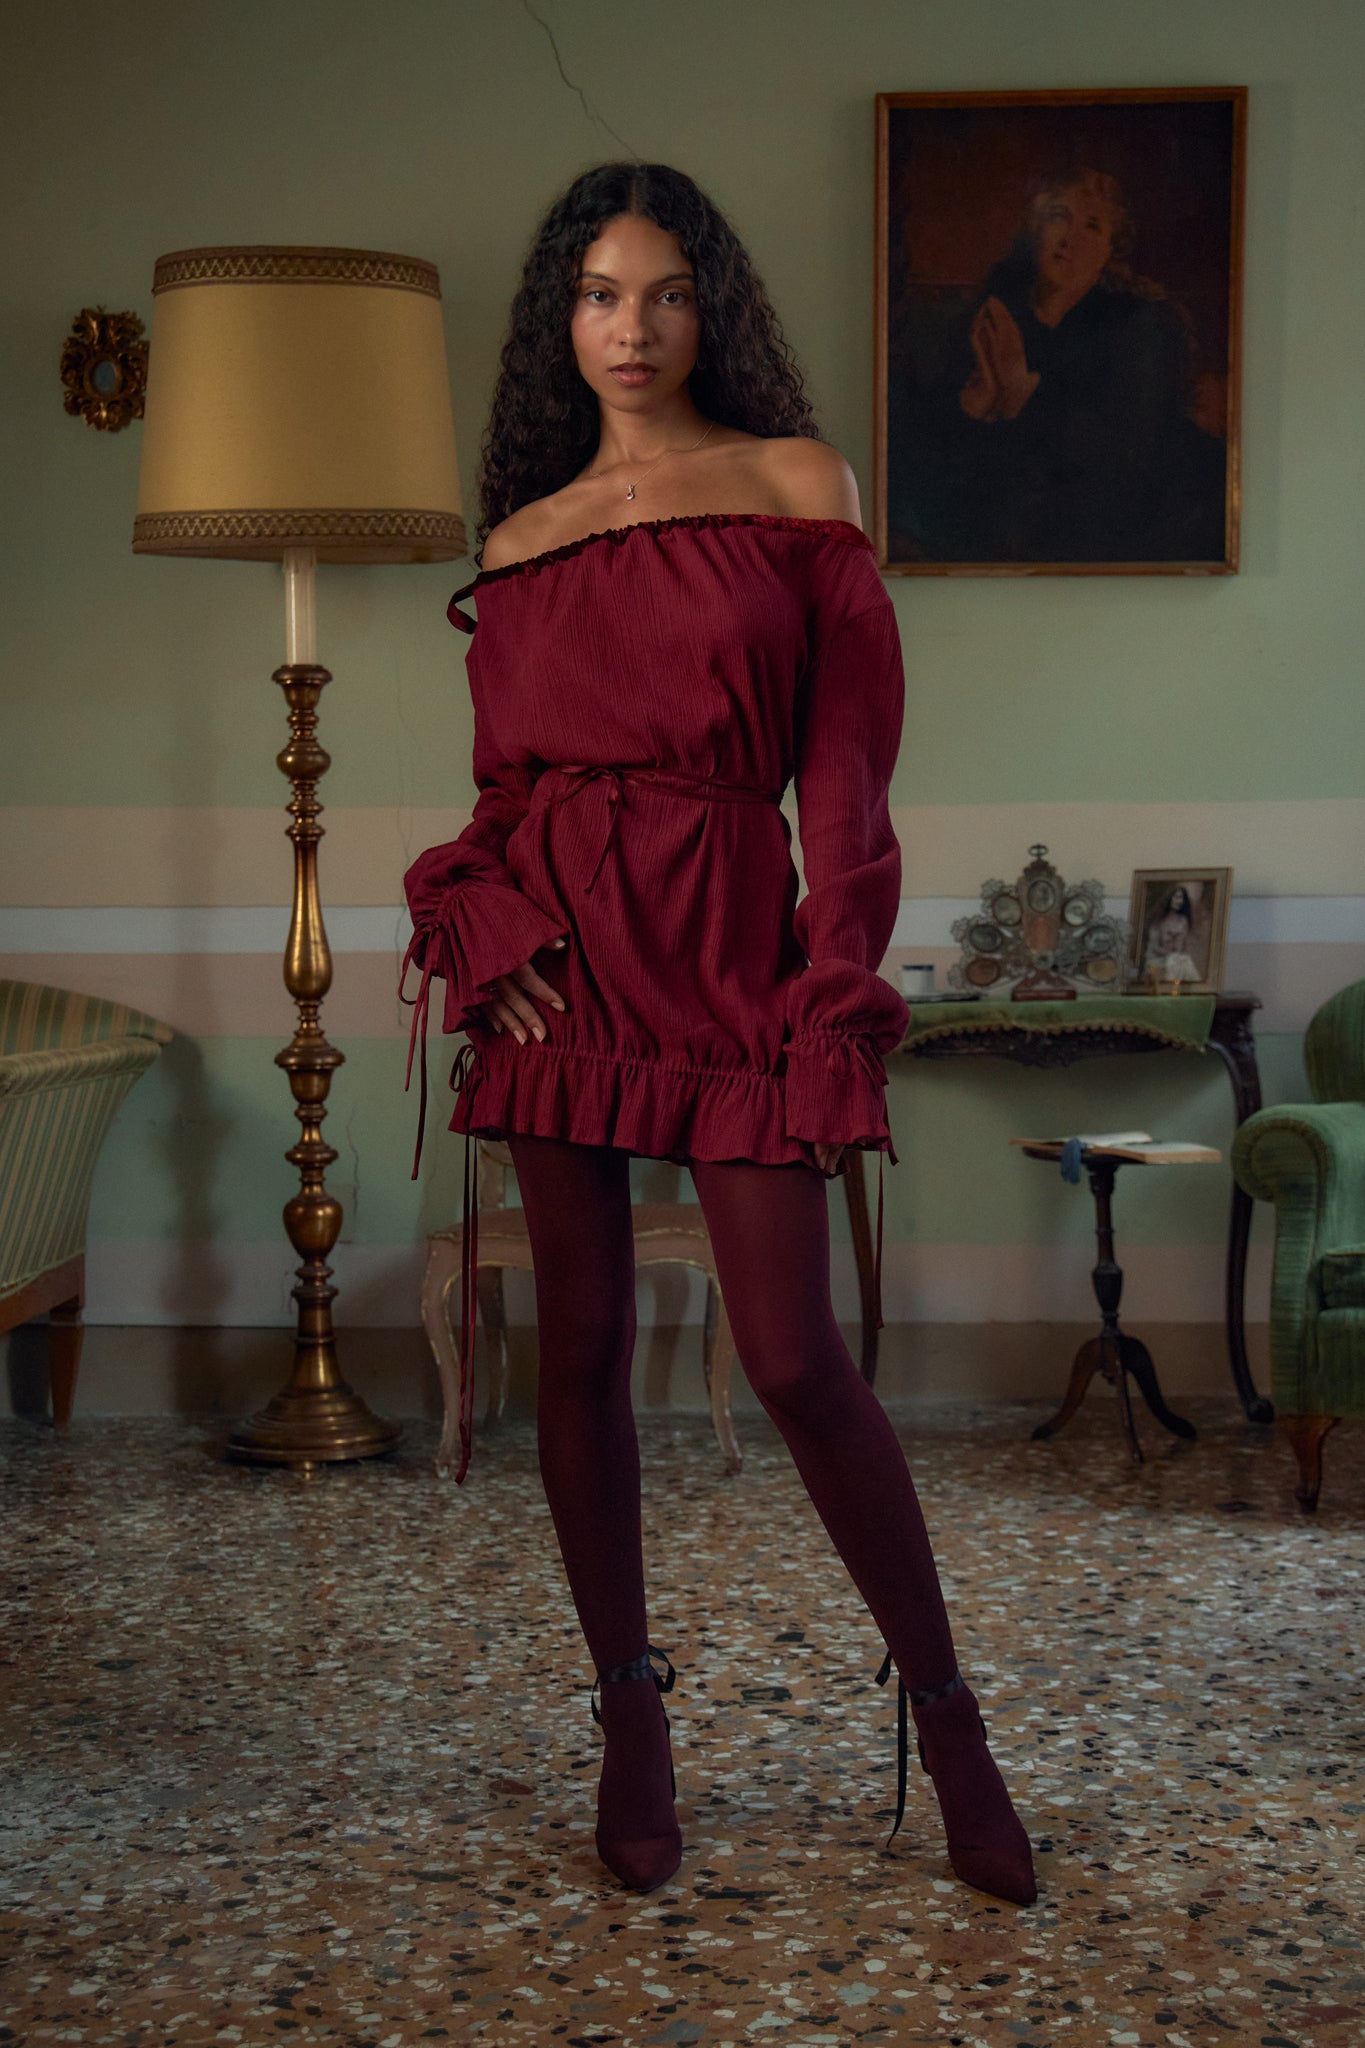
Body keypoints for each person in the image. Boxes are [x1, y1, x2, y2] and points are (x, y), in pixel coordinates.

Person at [400, 162, 1035, 1908]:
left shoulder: (796, 488)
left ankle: (951, 1722)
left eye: (667, 293)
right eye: (601, 295)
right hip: (564, 975)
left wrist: (833, 991)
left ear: (713, 311)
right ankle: (631, 1716)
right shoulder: (521, 541)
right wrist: (485, 924)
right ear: (561, 318)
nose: (634, 328)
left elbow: (847, 784)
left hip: (736, 958)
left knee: (795, 1360)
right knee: (582, 1350)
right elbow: (504, 793)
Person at [890, 165, 1227, 563]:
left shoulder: (1136, 324)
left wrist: (1022, 394)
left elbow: (1123, 455)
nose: (1070, 238)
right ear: (1036, 229)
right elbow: (941, 429)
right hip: (1005, 508)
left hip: (1111, 515)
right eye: (1057, 217)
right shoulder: (996, 311)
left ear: (1110, 249)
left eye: (1092, 226)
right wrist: (973, 407)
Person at [1144, 883, 1202, 982]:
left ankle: (1197, 987)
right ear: (1169, 898)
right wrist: (1170, 955)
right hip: (1157, 959)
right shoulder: (1158, 920)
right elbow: (1154, 947)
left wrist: (1177, 951)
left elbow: (1180, 946)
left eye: (1181, 898)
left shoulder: (1183, 921)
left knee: (1184, 961)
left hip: (1175, 958)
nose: (1179, 901)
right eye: (1176, 897)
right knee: (1175, 961)